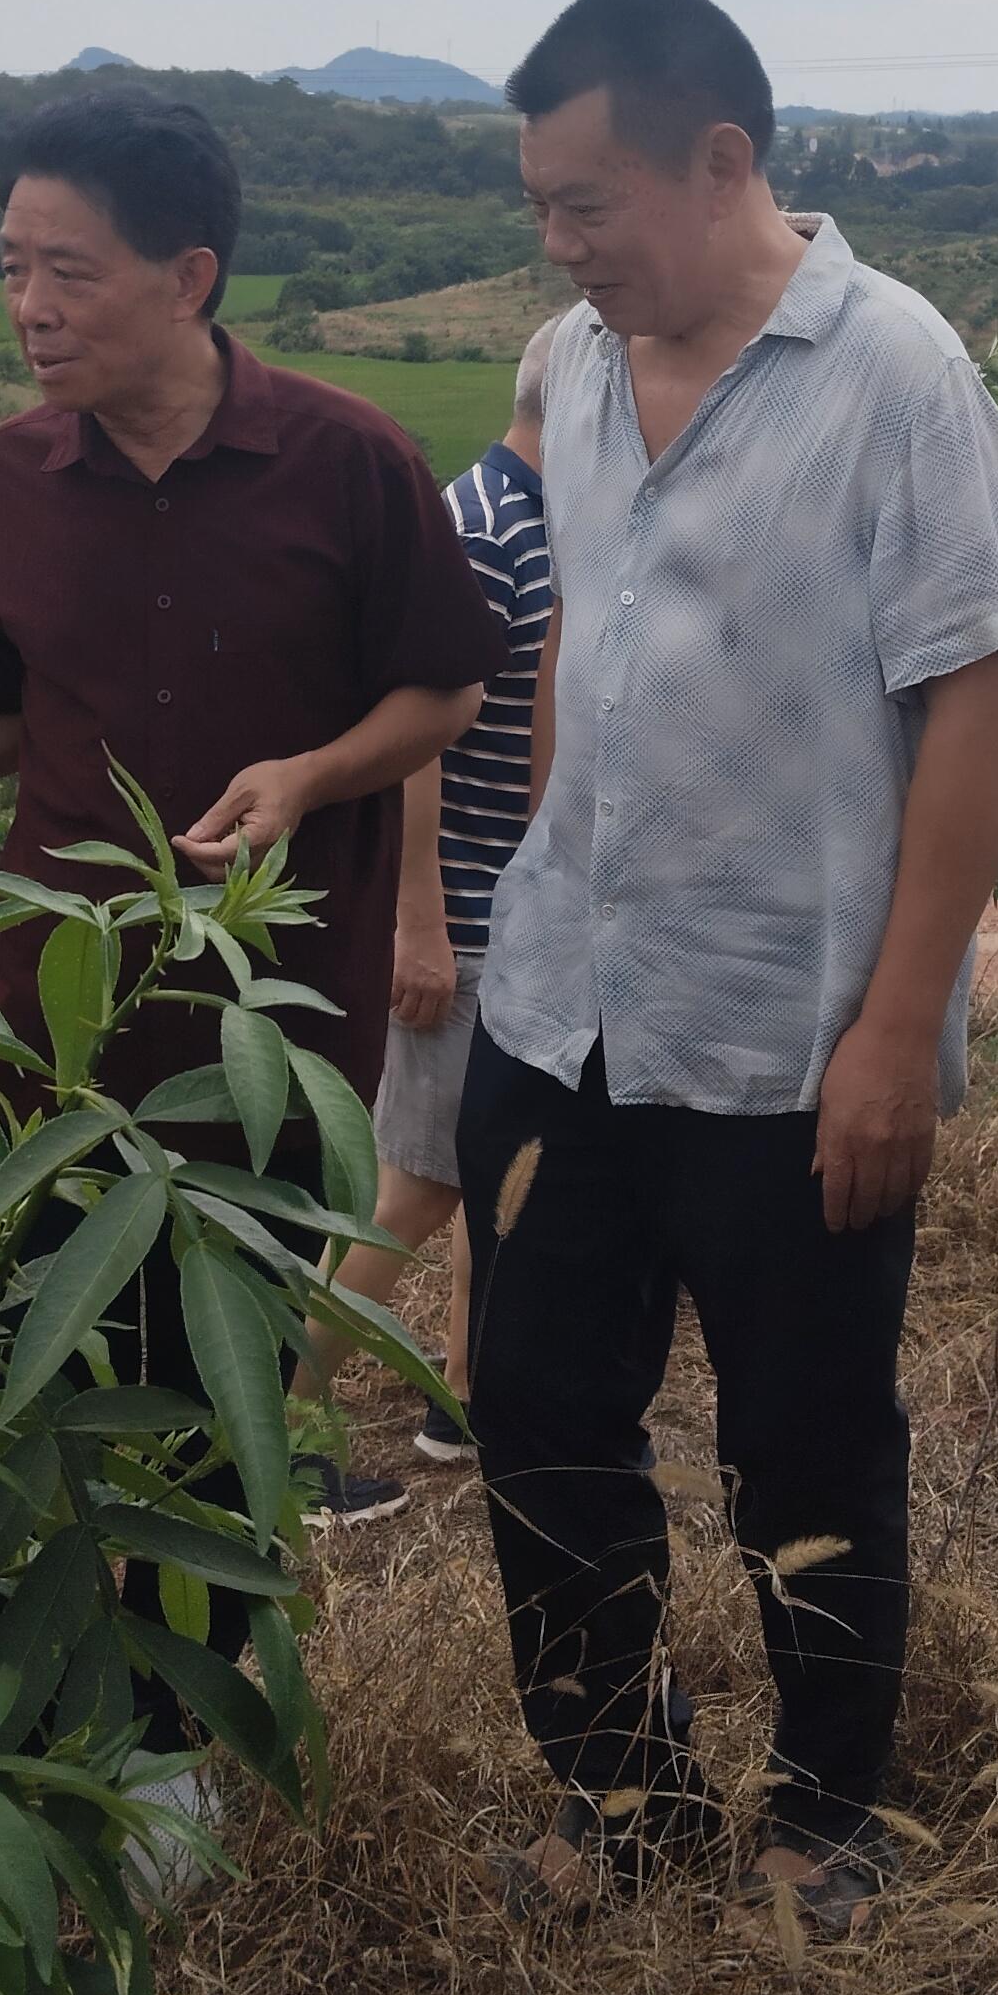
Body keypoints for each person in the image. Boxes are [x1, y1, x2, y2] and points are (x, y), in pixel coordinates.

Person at [0, 83, 496, 1610]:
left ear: (190, 276)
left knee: (217, 1426)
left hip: (269, 1049)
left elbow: (446, 689)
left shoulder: (348, 464)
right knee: (31, 1404)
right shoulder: (11, 484)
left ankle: (175, 1783)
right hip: (48, 1053)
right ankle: (37, 1730)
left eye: (66, 272)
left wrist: (313, 773)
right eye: (11, 268)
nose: (27, 309)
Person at [466, 0, 998, 1935]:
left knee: (804, 1438)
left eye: (588, 202)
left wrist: (899, 1027)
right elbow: (578, 642)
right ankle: (618, 1793)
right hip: (564, 1013)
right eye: (543, 207)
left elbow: (972, 702)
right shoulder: (580, 359)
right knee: (538, 1409)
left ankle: (823, 1811)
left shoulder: (897, 375)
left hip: (792, 1039)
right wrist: (541, 855)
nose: (563, 244)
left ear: (723, 161)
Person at [343, 309, 568, 1464]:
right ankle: (273, 1399)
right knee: (422, 1184)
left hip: (513, 914)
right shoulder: (479, 527)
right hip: (463, 916)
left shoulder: (544, 523)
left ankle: (466, 1400)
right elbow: (416, 733)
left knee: (494, 1175)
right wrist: (415, 922)